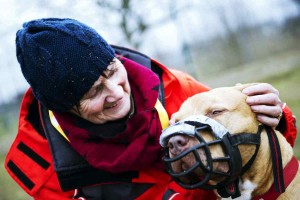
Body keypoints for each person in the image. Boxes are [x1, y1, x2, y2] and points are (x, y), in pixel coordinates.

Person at [5, 18, 297, 200]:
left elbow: (248, 149)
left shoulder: (177, 90)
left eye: (111, 70)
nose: (117, 91)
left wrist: (272, 117)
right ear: (67, 109)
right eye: (94, 92)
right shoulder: (44, 164)